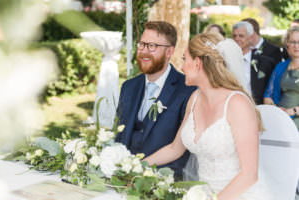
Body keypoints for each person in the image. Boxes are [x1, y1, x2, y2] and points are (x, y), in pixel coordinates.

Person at [144, 33, 272, 199]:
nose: (181, 67)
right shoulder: (194, 99)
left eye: (184, 59)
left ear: (197, 63)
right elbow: (175, 149)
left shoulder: (237, 104)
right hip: (204, 194)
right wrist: (138, 165)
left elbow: (249, 175)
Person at [115, 21, 195, 179]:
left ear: (169, 51)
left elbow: (182, 150)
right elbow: (119, 135)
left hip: (162, 181)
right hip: (121, 177)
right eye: (142, 44)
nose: (144, 51)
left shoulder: (187, 90)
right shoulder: (128, 87)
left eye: (152, 46)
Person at [264, 26, 299, 130]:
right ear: (287, 44)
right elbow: (268, 95)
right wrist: (276, 110)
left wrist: (293, 111)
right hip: (281, 119)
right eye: (293, 42)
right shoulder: (280, 66)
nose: (296, 46)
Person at [232, 21, 276, 104]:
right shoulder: (226, 62)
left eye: (241, 36)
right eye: (234, 36)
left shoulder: (265, 63)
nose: (237, 39)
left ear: (251, 38)